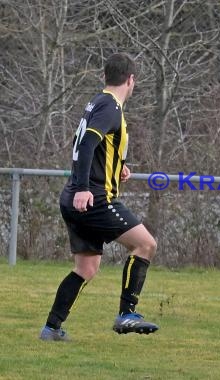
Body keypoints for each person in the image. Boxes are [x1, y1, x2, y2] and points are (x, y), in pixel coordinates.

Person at [39, 53, 159, 341]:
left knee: (86, 268)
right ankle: (127, 314)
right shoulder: (110, 107)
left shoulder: (97, 101)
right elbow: (86, 142)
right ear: (131, 80)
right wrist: (84, 187)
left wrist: (117, 166)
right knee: (145, 245)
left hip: (75, 197)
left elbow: (88, 145)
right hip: (93, 198)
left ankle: (51, 328)